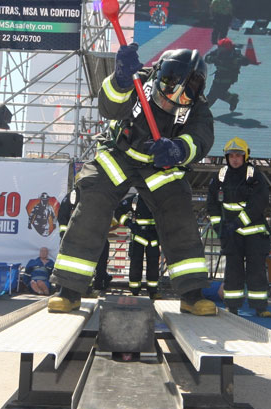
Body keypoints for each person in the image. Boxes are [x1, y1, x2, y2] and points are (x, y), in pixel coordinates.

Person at [49, 43, 216, 315]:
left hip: (159, 163)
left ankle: (192, 294)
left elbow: (201, 138)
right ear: (160, 72)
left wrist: (177, 150)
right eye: (172, 82)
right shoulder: (138, 80)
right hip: (119, 153)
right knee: (93, 203)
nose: (176, 93)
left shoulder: (198, 108)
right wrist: (120, 80)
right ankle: (68, 290)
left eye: (188, 89)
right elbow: (109, 107)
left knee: (179, 212)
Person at [207, 138, 271, 317]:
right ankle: (232, 306)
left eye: (239, 155)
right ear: (226, 157)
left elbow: (258, 203)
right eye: (231, 155)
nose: (235, 159)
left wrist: (238, 222)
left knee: (256, 270)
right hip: (230, 233)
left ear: (246, 156)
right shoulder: (219, 176)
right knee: (233, 271)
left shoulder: (255, 176)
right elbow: (211, 203)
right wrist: (218, 224)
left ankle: (260, 307)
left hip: (254, 233)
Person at [57, 188, 112, 295]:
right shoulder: (72, 197)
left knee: (87, 265)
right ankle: (62, 287)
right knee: (67, 264)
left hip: (90, 237)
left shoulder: (97, 198)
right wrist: (64, 235)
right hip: (73, 237)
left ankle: (87, 288)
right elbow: (62, 216)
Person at [115, 193, 162, 299]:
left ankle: (153, 291)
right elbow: (118, 211)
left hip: (153, 236)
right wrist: (128, 223)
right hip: (138, 236)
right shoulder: (134, 200)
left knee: (153, 264)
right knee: (136, 263)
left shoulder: (158, 198)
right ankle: (134, 290)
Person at [204, 38, 250, 111]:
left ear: (226, 48)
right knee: (215, 93)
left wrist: (237, 61)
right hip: (218, 76)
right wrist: (213, 59)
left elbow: (246, 61)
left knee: (216, 93)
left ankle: (202, 110)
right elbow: (206, 58)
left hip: (229, 77)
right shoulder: (217, 52)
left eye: (221, 47)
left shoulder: (234, 53)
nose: (219, 48)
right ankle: (232, 99)